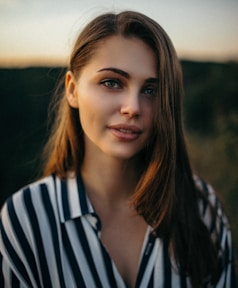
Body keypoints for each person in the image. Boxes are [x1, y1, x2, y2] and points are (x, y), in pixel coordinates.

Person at [0, 10, 236, 288]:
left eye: (151, 90)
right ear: (72, 90)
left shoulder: (200, 207)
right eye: (112, 83)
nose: (133, 107)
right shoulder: (26, 217)